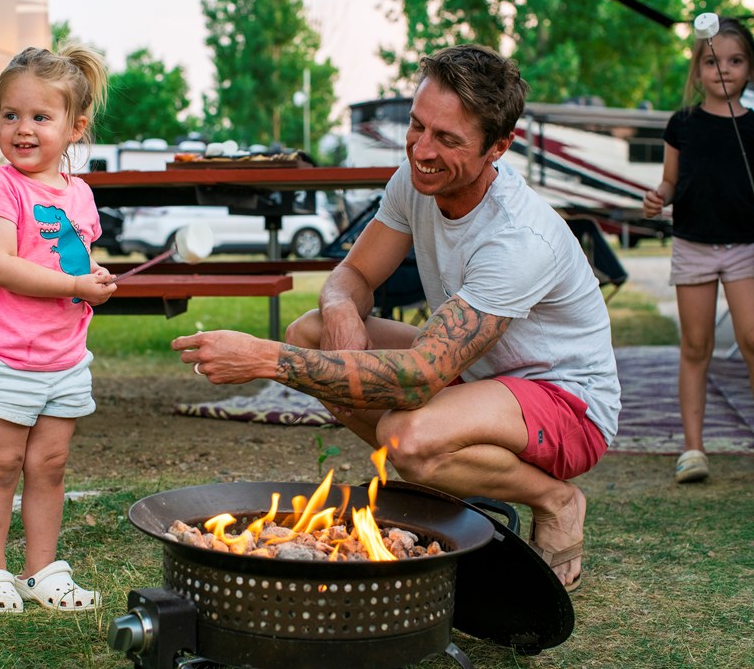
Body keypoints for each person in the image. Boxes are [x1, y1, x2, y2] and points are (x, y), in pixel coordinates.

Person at [173, 44, 620, 592]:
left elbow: (419, 376)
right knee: (309, 333)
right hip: (481, 375)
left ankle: (555, 499)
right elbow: (351, 276)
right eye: (417, 125)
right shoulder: (414, 179)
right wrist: (339, 312)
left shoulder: (518, 240)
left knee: (405, 435)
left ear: (497, 148)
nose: (421, 149)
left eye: (447, 139)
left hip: (565, 399)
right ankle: (442, 490)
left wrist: (267, 360)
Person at [0, 44, 116, 614]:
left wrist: (92, 276)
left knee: (49, 467)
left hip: (64, 358)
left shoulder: (80, 193)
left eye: (40, 117)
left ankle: (42, 570)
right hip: (3, 355)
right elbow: (0, 264)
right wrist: (76, 286)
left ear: (75, 127)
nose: (22, 129)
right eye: (10, 115)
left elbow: (73, 262)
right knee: (1, 466)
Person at [642, 17, 754, 484]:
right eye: (712, 61)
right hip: (693, 245)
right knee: (695, 346)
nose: (723, 70)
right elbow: (670, 181)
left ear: (750, 68)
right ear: (698, 68)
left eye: (735, 60)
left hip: (746, 247)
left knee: (752, 339)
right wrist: (658, 198)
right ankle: (693, 449)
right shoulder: (682, 124)